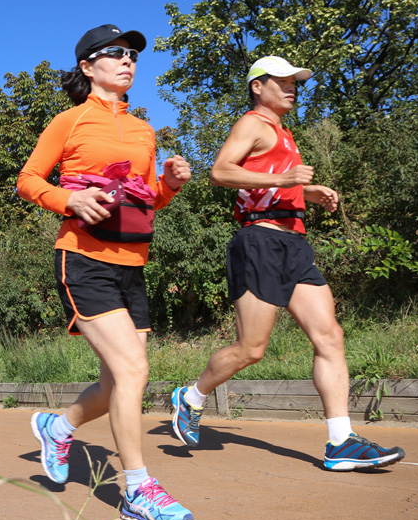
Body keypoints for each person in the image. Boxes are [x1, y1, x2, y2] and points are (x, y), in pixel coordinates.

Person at [170, 56, 405, 471]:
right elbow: (221, 172)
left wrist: (307, 192)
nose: (292, 87)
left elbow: (274, 183)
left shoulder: (284, 133)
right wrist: (285, 181)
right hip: (259, 241)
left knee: (330, 335)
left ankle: (340, 441)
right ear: (258, 86)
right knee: (252, 349)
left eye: (295, 82)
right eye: (282, 81)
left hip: (295, 244)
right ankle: (191, 396)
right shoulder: (252, 124)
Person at [17, 24, 194, 520]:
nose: (127, 60)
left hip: (131, 265)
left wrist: (169, 185)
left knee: (119, 377)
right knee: (134, 370)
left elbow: (145, 200)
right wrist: (66, 198)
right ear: (88, 67)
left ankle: (58, 427)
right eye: (114, 53)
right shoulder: (68, 122)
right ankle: (138, 489)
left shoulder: (143, 130)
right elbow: (28, 179)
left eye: (132, 55)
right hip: (83, 259)